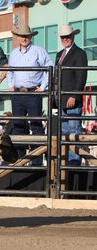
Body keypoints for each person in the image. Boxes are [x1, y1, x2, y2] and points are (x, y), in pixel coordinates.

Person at [7, 24, 53, 166]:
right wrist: (11, 85)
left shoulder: (39, 51)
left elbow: (50, 68)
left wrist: (43, 87)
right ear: (18, 37)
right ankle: (19, 161)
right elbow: (10, 71)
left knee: (36, 126)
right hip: (18, 94)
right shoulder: (14, 53)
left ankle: (37, 162)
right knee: (18, 126)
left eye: (26, 36)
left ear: (30, 37)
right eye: (22, 36)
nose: (24, 38)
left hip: (33, 93)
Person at [55, 24, 88, 194]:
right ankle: (67, 165)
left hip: (72, 101)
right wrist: (55, 98)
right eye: (62, 37)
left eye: (67, 36)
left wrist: (74, 96)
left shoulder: (80, 53)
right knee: (64, 135)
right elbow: (56, 78)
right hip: (61, 101)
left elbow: (81, 76)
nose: (65, 39)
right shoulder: (59, 55)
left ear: (72, 36)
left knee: (73, 133)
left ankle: (74, 168)